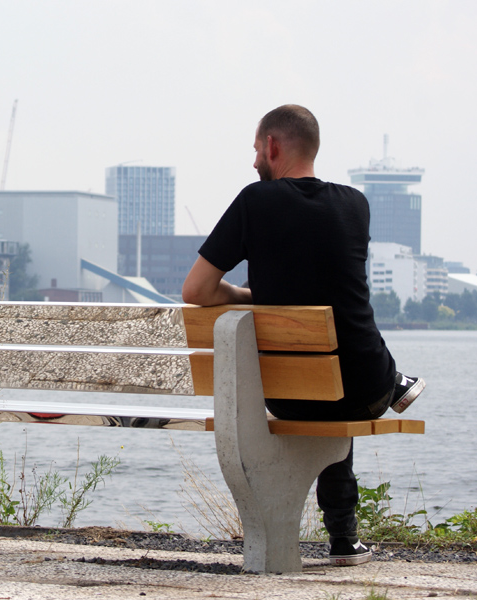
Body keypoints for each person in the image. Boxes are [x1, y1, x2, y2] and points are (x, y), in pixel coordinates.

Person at [182, 104, 425, 566]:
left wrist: (248, 295)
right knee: (338, 376)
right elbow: (331, 284)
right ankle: (344, 536)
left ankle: (344, 535)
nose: (254, 161)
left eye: (256, 150)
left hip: (287, 394)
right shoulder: (357, 204)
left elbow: (196, 290)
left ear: (272, 146)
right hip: (364, 387)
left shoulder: (254, 203)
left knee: (321, 381)